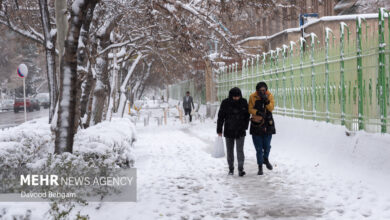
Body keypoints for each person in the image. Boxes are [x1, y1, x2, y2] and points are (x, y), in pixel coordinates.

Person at [217, 87, 250, 176]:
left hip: (240, 130)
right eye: (234, 97)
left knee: (240, 150)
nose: (236, 98)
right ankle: (231, 169)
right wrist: (219, 130)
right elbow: (220, 117)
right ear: (231, 96)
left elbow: (247, 115)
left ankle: (240, 169)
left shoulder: (243, 102)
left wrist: (245, 127)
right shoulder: (225, 103)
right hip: (229, 130)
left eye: (238, 96)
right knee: (230, 151)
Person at [248, 82, 276, 175]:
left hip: (268, 123)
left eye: (264, 90)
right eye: (260, 90)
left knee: (267, 145)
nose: (262, 92)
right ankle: (260, 167)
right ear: (257, 90)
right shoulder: (253, 96)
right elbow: (250, 109)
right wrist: (258, 112)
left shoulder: (269, 95)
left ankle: (266, 159)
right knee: (259, 148)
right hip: (257, 123)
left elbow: (271, 108)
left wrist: (266, 101)